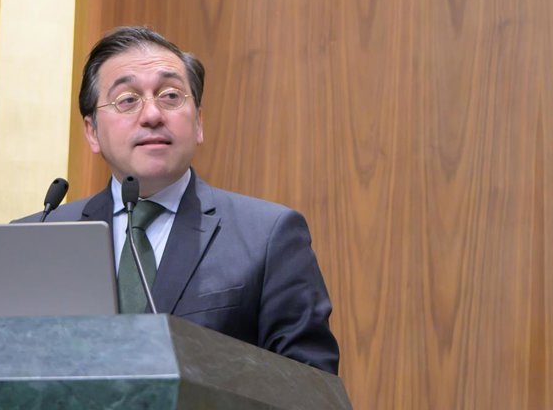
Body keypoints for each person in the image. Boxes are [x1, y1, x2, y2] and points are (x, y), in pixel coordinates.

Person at [28, 25, 339, 374]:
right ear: (92, 131)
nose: (152, 115)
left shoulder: (268, 237)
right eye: (127, 100)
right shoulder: (38, 239)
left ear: (199, 122)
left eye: (171, 96)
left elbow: (311, 385)